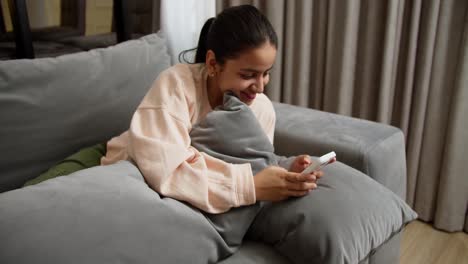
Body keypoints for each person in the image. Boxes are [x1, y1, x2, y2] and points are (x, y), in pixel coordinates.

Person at [101, 4, 331, 262]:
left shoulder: (261, 110)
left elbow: (250, 162)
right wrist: (251, 186)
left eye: (266, 74)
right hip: (117, 162)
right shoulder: (176, 86)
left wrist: (286, 168)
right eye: (248, 75)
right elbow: (168, 169)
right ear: (212, 63)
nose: (260, 87)